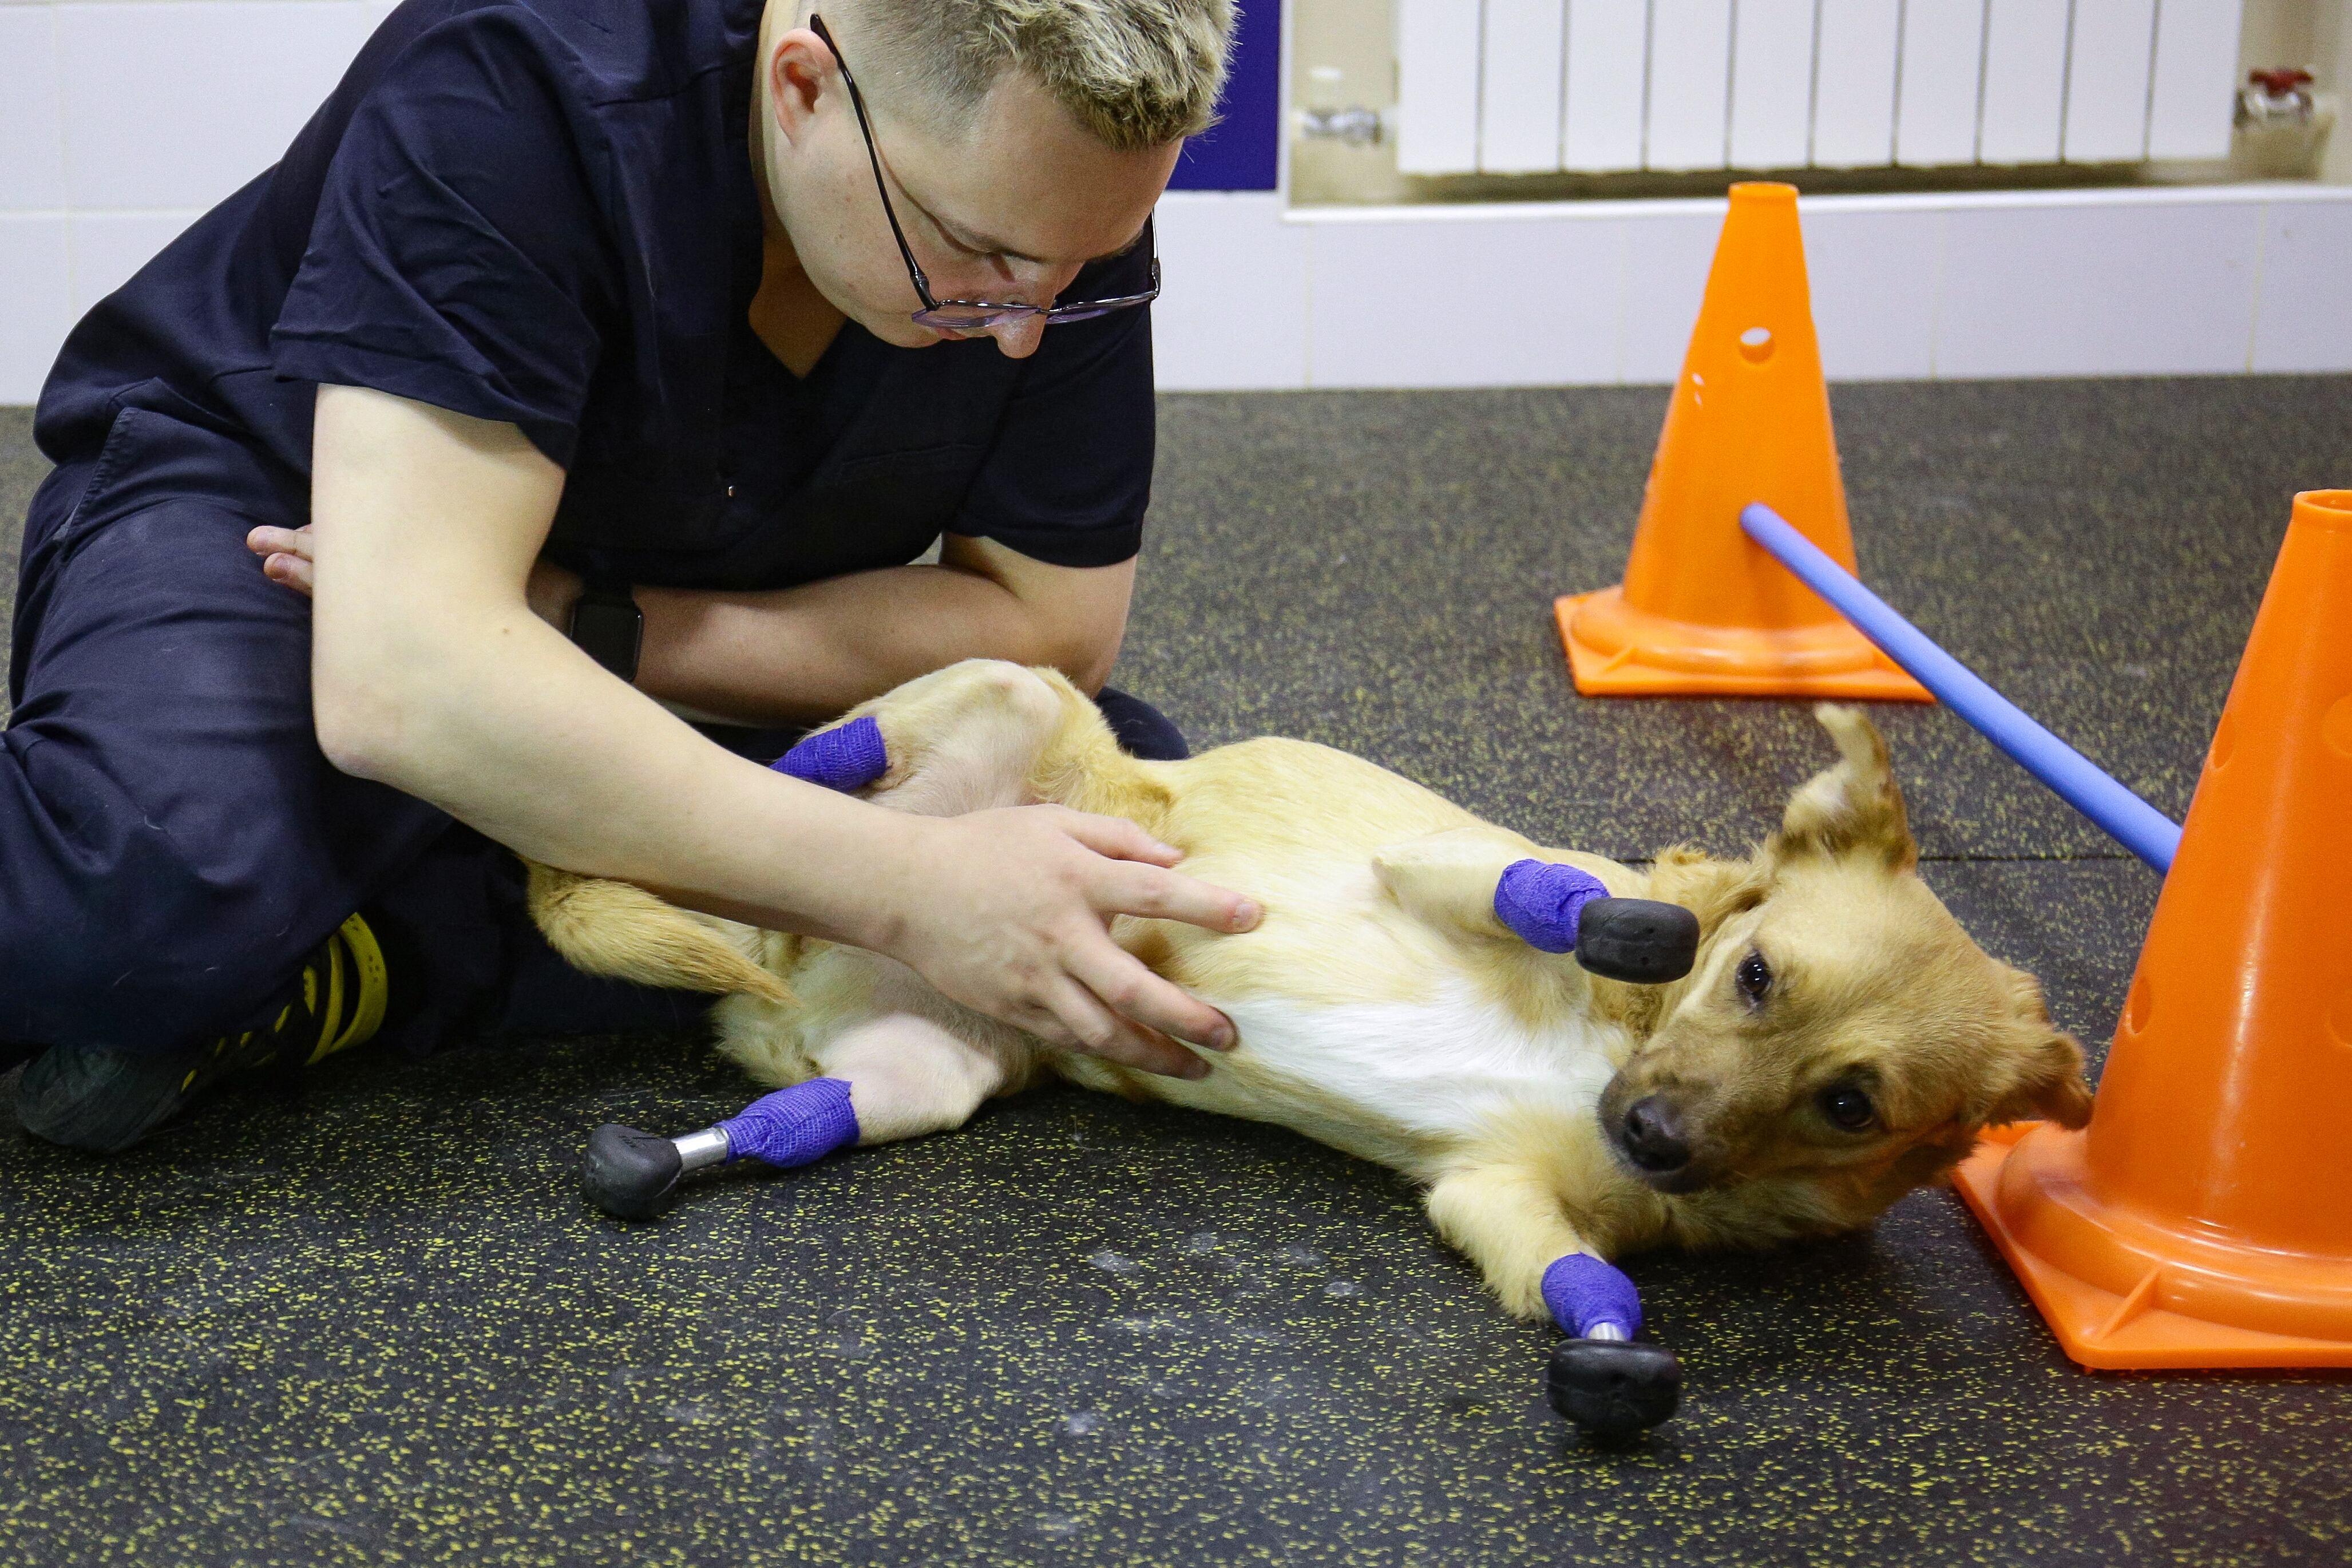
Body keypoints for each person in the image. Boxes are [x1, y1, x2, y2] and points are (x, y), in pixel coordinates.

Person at [2, 0, 1262, 1154]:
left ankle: (369, 949)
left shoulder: (1039, 201)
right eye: (974, 260)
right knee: (137, 897)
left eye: (1081, 270)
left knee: (1097, 820)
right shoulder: (513, 84)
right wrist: (909, 889)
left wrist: (582, 626)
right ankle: (362, 912)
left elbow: (1050, 627)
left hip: (628, 595)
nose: (1025, 330)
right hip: (296, 534)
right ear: (805, 87)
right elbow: (400, 682)